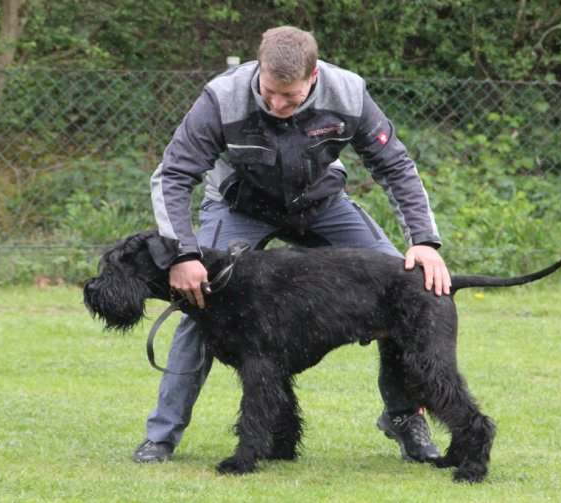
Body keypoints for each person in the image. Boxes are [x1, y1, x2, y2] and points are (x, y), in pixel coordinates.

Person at [135, 26, 451, 464]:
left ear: (314, 75)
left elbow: (395, 165)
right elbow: (172, 176)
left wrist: (425, 241)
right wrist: (184, 254)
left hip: (321, 204)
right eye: (269, 93)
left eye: (292, 97)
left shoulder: (348, 92)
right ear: (258, 69)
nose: (278, 105)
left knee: (404, 288)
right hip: (237, 208)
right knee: (199, 301)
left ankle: (403, 418)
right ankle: (162, 436)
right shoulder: (221, 97)